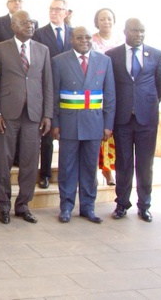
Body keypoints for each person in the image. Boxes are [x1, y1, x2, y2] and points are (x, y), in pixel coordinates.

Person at [0, 10, 53, 224]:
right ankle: (4, 206)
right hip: (7, 115)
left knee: (29, 161)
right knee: (3, 161)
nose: (30, 25)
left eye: (32, 22)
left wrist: (47, 114)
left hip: (34, 115)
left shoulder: (43, 50)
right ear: (13, 26)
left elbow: (48, 84)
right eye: (24, 22)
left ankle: (23, 205)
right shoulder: (0, 49)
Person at [51, 26, 115, 224]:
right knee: (67, 168)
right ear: (72, 39)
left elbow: (110, 94)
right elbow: (53, 95)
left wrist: (107, 124)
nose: (84, 41)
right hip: (69, 123)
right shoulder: (59, 61)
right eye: (80, 37)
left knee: (89, 168)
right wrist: (55, 122)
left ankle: (88, 207)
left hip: (94, 124)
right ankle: (67, 207)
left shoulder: (104, 60)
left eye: (88, 37)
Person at [107, 18, 161, 222]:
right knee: (123, 163)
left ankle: (144, 206)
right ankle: (122, 204)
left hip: (147, 119)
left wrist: (146, 102)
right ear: (125, 31)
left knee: (145, 164)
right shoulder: (112, 56)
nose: (139, 35)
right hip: (122, 119)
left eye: (142, 31)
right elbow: (110, 87)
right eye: (135, 31)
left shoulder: (156, 55)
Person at [32, 0, 73, 189]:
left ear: (66, 13)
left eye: (58, 9)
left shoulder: (75, 34)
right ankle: (45, 173)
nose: (54, 12)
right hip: (47, 89)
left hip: (71, 92)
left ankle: (68, 174)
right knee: (46, 135)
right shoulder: (40, 33)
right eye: (51, 9)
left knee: (69, 136)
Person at [90, 8, 124, 186]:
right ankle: (101, 171)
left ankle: (112, 169)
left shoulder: (121, 40)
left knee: (114, 134)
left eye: (109, 18)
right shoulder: (91, 41)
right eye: (102, 19)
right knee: (100, 135)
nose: (106, 22)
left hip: (118, 92)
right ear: (97, 21)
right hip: (97, 94)